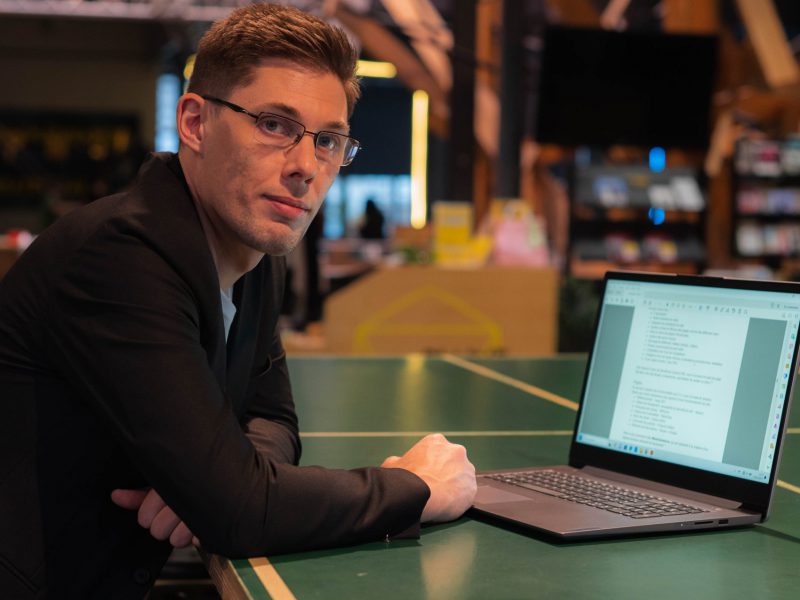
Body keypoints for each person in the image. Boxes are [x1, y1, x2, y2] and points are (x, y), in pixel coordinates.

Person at [0, 4, 476, 598]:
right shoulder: (120, 257)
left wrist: (208, 484)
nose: (306, 167)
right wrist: (414, 487)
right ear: (195, 124)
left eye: (328, 140)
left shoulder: (253, 259)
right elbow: (240, 510)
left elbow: (271, 418)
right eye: (275, 124)